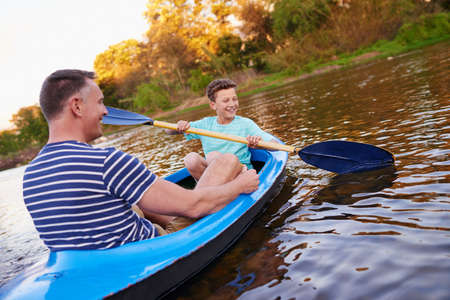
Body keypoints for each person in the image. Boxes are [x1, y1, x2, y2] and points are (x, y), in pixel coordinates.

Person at [22, 69, 259, 251]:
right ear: (77, 106)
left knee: (135, 199)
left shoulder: (30, 176)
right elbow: (194, 206)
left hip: (97, 258)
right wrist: (240, 185)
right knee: (226, 160)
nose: (106, 112)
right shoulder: (105, 162)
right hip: (153, 248)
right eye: (100, 102)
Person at [167, 78, 277, 181]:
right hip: (216, 178)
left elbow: (274, 144)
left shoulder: (245, 124)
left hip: (242, 174)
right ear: (213, 105)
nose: (232, 104)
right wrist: (178, 126)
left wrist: (259, 145)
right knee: (191, 159)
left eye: (234, 99)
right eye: (226, 100)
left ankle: (230, 186)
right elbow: (168, 131)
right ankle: (208, 192)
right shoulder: (204, 125)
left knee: (212, 156)